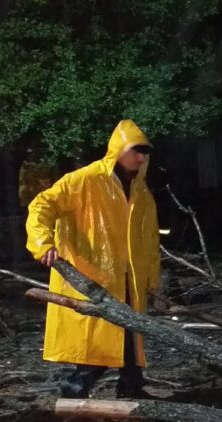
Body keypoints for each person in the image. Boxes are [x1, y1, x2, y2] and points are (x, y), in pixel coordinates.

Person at [25, 120, 160, 399]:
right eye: (136, 150)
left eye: (145, 151)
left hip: (126, 280)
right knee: (100, 341)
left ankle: (130, 388)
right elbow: (42, 205)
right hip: (91, 277)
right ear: (119, 149)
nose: (141, 157)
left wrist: (151, 282)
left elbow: (149, 242)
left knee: (129, 336)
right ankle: (77, 388)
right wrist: (42, 243)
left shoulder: (141, 193)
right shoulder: (85, 180)